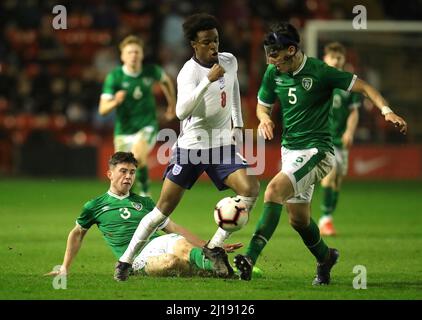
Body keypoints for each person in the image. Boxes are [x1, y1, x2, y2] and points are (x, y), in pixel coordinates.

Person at [234, 22, 407, 285]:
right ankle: (326, 257)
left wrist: (386, 111)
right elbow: (262, 106)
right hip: (290, 151)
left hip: (318, 151)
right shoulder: (273, 72)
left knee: (273, 192)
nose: (270, 60)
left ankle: (250, 257)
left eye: (275, 54)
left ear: (291, 50)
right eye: (268, 53)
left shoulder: (321, 72)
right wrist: (264, 119)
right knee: (299, 219)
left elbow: (364, 87)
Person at [113, 13, 260, 281]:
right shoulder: (188, 73)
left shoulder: (229, 61)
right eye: (206, 42)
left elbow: (235, 91)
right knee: (162, 211)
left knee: (250, 189)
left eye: (216, 40)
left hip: (221, 146)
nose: (213, 46)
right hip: (191, 148)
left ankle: (214, 248)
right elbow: (181, 112)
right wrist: (208, 80)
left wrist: (238, 125)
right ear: (194, 44)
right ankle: (125, 261)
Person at [45, 152, 242, 279]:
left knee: (181, 245)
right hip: (135, 258)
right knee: (171, 263)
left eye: (132, 172)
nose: (128, 176)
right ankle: (213, 268)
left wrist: (210, 245)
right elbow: (77, 233)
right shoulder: (95, 206)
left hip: (159, 242)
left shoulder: (144, 202)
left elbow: (173, 228)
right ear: (109, 174)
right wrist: (64, 267)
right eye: (123, 171)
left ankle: (223, 267)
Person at [99, 35, 177, 197]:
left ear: (142, 54)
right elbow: (103, 109)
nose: (133, 55)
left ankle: (145, 193)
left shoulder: (151, 71)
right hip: (124, 130)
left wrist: (172, 103)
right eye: (129, 52)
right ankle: (130, 199)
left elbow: (165, 81)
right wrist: (115, 101)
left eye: (136, 52)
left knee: (136, 156)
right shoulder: (115, 77)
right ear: (122, 56)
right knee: (121, 172)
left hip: (146, 125)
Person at [318, 42, 362, 236]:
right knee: (331, 173)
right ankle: (325, 219)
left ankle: (327, 216)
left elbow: (354, 113)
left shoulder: (349, 83)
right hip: (323, 138)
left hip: (341, 140)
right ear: (325, 59)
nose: (336, 60)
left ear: (344, 60)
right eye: (332, 57)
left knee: (338, 181)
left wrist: (349, 132)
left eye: (339, 57)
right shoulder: (318, 79)